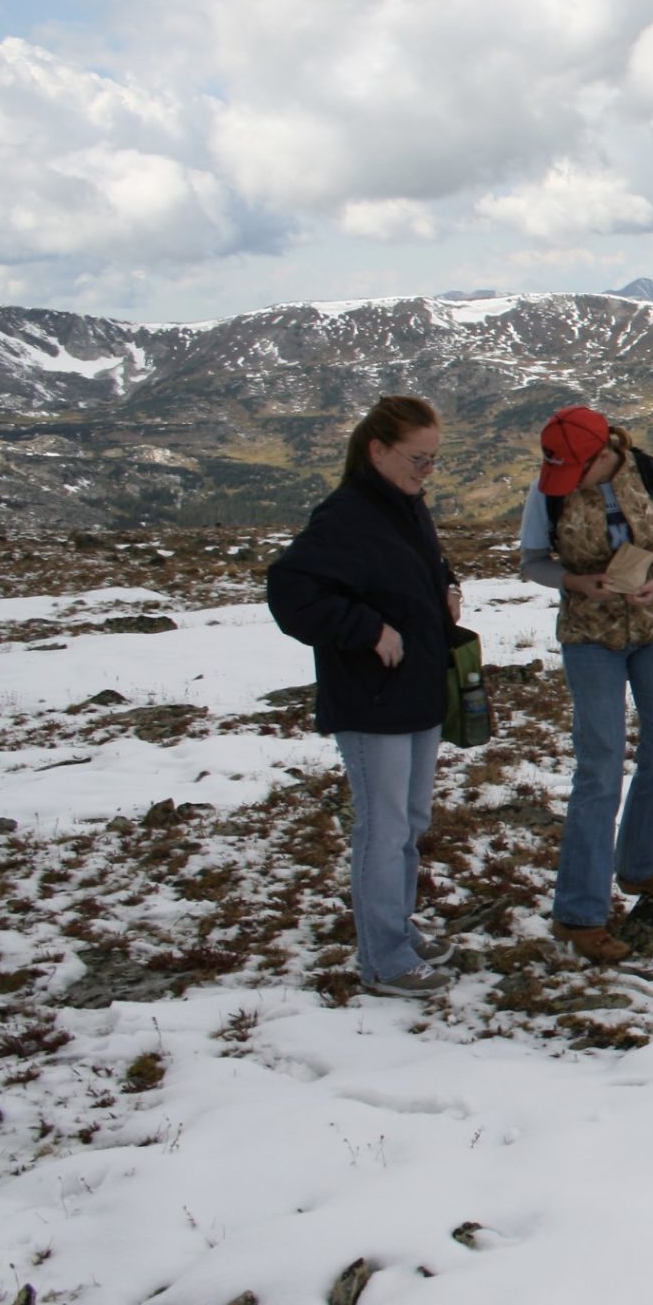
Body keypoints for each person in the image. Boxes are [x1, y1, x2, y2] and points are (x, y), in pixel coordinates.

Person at [266, 395, 464, 999]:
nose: (425, 471)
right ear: (376, 450)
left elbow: (412, 568)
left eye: (432, 460)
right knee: (381, 829)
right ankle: (384, 959)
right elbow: (291, 592)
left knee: (408, 822)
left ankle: (396, 930)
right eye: (416, 458)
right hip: (372, 699)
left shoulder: (404, 505)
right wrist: (367, 631)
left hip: (417, 692)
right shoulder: (347, 514)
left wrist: (448, 585)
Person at [518, 405, 653, 962]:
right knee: (599, 769)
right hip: (589, 639)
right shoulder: (547, 491)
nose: (566, 482)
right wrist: (578, 581)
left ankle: (639, 866)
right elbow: (533, 562)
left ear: (604, 454)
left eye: (575, 469)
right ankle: (578, 913)